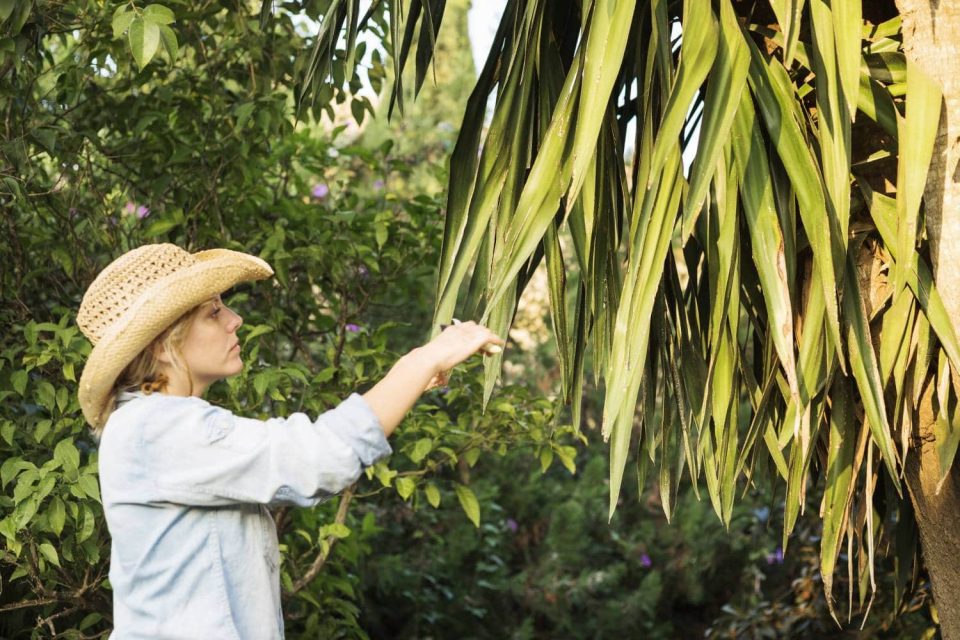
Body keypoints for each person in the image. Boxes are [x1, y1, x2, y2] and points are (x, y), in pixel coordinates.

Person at [75, 243, 503, 639]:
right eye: (212, 313)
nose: (234, 320)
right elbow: (316, 459)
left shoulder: (156, 426)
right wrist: (422, 358)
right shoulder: (157, 429)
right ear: (162, 345)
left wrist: (407, 384)